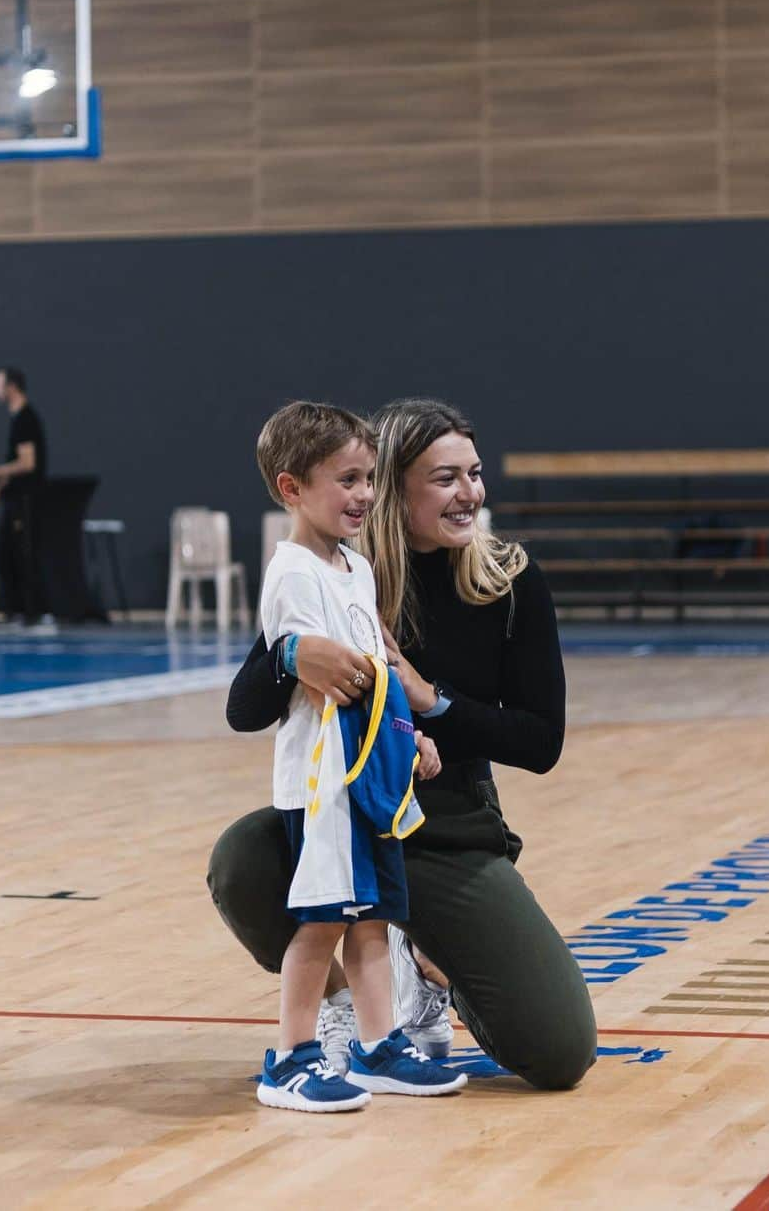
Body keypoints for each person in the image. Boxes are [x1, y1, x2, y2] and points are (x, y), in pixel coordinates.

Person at [208, 398, 597, 1091]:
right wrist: (290, 655)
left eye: (474, 474)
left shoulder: (509, 580)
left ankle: (428, 969)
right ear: (392, 486)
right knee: (242, 860)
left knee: (560, 1050)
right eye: (446, 478)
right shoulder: (338, 575)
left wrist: (430, 699)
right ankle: (345, 1011)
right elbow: (244, 707)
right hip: (348, 813)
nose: (470, 493)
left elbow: (542, 741)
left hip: (450, 830)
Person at [250, 399, 467, 1114]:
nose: (365, 494)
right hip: (323, 786)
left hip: (366, 776)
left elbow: (378, 665)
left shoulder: (355, 569)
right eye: (347, 479)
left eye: (370, 478)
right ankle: (290, 1057)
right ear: (292, 488)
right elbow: (340, 678)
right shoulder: (292, 574)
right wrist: (386, 717)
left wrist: (412, 737)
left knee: (371, 920)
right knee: (323, 922)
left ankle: (380, 1045)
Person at [0, 366, 51, 629]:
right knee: (6, 553)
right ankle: (17, 611)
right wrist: (2, 484)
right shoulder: (18, 419)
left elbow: (28, 463)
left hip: (26, 500)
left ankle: (31, 613)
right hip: (16, 497)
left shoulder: (25, 420)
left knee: (21, 554)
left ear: (11, 387)